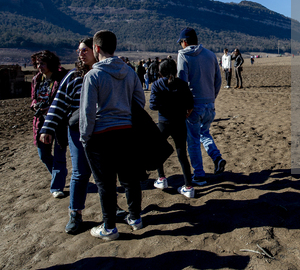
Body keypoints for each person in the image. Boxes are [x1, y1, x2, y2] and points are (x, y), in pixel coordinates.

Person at [80, 30, 145, 240]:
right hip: (126, 132)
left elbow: (88, 112)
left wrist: (85, 137)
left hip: (101, 136)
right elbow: (140, 102)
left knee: (105, 184)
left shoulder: (93, 76)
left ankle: (109, 227)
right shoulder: (129, 72)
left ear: (96, 49)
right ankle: (135, 218)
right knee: (130, 179)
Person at [39, 38, 96, 234]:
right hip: (77, 131)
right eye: (79, 50)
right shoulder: (73, 77)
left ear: (96, 50)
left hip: (102, 132)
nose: (81, 53)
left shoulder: (104, 75)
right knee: (80, 173)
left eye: (85, 50)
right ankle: (75, 213)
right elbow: (59, 103)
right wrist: (47, 128)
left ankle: (112, 208)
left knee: (104, 174)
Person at [177, 28, 226, 186]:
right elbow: (218, 80)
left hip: (193, 106)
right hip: (209, 104)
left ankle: (199, 174)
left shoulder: (183, 55)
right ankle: (217, 157)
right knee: (205, 133)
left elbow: (182, 82)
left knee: (193, 141)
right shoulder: (211, 55)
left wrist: (186, 105)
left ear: (185, 42)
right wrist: (212, 97)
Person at [150, 59, 195, 198]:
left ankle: (162, 178)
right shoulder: (182, 84)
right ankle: (188, 186)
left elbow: (153, 105)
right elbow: (190, 103)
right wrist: (185, 112)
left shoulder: (157, 85)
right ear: (175, 71)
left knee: (157, 150)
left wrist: (165, 106)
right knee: (182, 153)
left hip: (164, 122)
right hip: (180, 122)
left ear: (160, 72)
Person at [30, 50, 68, 199]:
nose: (40, 66)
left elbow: (65, 99)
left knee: (59, 155)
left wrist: (51, 107)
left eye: (43, 63)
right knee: (43, 154)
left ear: (50, 63)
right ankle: (59, 174)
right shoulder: (36, 80)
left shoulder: (61, 79)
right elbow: (33, 97)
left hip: (58, 122)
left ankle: (57, 186)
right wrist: (35, 105)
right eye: (38, 63)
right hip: (40, 122)